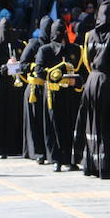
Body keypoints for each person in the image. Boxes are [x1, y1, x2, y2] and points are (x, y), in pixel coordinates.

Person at [73, 39, 110, 179]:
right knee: (108, 124)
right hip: (106, 81)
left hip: (92, 80)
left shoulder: (90, 36)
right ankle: (106, 167)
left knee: (91, 123)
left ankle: (90, 165)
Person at [39, 19, 83, 171]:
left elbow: (82, 70)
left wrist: (76, 82)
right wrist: (57, 76)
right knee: (55, 126)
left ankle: (71, 159)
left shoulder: (75, 49)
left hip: (71, 94)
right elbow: (39, 70)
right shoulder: (45, 50)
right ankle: (56, 159)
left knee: (71, 126)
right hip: (53, 93)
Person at [0, 17, 25, 158]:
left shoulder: (19, 45)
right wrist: (5, 67)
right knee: (3, 119)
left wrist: (17, 65)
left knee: (17, 117)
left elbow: (26, 64)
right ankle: (2, 148)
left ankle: (19, 146)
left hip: (17, 87)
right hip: (2, 88)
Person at [19, 15, 53, 164]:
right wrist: (36, 67)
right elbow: (22, 64)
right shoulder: (33, 44)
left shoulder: (55, 44)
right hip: (35, 88)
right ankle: (37, 151)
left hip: (50, 88)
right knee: (35, 122)